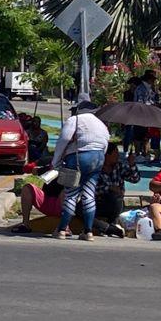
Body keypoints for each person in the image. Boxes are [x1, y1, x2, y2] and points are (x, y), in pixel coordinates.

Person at [50, 100, 110, 241]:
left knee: (71, 193)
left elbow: (63, 140)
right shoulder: (101, 124)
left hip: (77, 158)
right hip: (98, 158)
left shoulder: (75, 120)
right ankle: (88, 231)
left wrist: (56, 161)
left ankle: (62, 229)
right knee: (89, 194)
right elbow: (105, 143)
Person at [93, 144, 140, 236]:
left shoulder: (119, 166)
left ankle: (111, 224)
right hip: (96, 202)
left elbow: (135, 179)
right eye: (115, 154)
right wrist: (109, 187)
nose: (118, 156)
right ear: (107, 155)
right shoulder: (96, 168)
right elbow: (92, 188)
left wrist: (132, 164)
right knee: (80, 208)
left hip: (113, 204)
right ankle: (108, 227)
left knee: (116, 196)